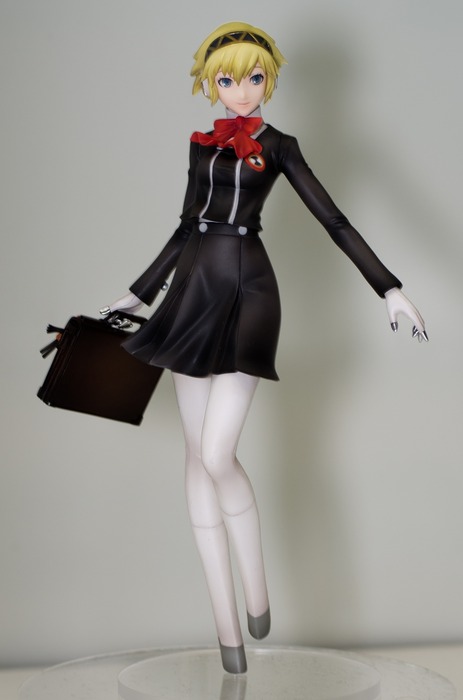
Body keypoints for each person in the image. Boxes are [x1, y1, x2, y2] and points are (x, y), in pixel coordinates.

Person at [101, 21, 427, 674]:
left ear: (269, 78)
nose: (242, 91)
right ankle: (228, 628)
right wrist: (137, 297)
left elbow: (333, 218)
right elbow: (183, 227)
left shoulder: (279, 146)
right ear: (211, 84)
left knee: (217, 453)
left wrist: (387, 287)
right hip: (191, 290)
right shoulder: (201, 146)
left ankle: (256, 585)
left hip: (249, 290)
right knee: (196, 458)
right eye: (228, 80)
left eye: (253, 78)